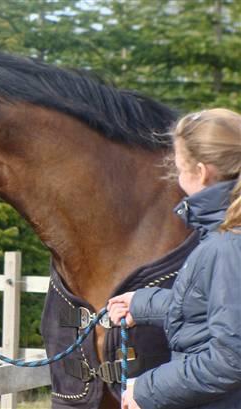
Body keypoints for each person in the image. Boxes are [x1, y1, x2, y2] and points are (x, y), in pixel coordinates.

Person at [107, 108, 241, 409]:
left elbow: (230, 359)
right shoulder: (225, 235)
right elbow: (216, 309)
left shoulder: (228, 246)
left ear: (203, 172)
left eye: (179, 168)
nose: (177, 178)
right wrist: (142, 304)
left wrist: (146, 390)